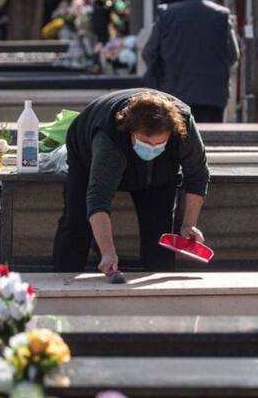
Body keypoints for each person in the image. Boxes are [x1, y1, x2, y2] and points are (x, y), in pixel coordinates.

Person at [53, 89, 209, 274]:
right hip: (87, 151)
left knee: (159, 227)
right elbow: (98, 197)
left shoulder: (184, 128)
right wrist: (108, 253)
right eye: (145, 142)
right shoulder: (110, 138)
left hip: (161, 169)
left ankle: (159, 281)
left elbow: (197, 175)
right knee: (77, 220)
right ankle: (64, 276)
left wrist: (188, 224)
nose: (152, 148)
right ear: (131, 131)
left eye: (159, 143)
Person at [142, 0, 239, 123]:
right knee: (211, 136)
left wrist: (158, 80)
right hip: (213, 96)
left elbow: (149, 52)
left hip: (173, 95)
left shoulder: (167, 14)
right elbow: (233, 55)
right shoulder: (222, 15)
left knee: (178, 135)